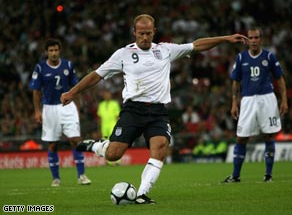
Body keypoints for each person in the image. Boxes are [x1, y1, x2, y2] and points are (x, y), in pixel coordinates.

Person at [61, 14, 248, 203]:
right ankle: (98, 145)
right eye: (141, 33)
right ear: (134, 32)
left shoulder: (165, 50)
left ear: (154, 32)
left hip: (158, 111)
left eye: (148, 33)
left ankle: (141, 194)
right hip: (133, 110)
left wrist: (224, 39)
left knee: (159, 148)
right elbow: (96, 75)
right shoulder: (123, 54)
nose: (144, 37)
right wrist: (72, 92)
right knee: (113, 154)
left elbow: (196, 45)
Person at [222, 27, 288, 183]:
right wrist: (234, 102)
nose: (253, 41)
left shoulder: (269, 56)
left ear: (261, 39)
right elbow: (235, 82)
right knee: (241, 138)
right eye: (251, 38)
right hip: (248, 100)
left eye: (256, 37)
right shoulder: (241, 58)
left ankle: (268, 175)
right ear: (247, 40)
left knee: (268, 135)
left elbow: (280, 79)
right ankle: (236, 176)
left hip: (267, 98)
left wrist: (284, 99)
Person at [29, 38, 91, 187]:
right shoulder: (40, 68)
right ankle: (56, 178)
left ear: (59, 51)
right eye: (51, 50)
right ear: (46, 52)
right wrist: (37, 111)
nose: (54, 53)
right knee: (52, 144)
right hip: (49, 108)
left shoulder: (68, 65)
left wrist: (78, 106)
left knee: (76, 140)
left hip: (67, 106)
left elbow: (76, 87)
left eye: (56, 50)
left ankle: (81, 175)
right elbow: (36, 92)